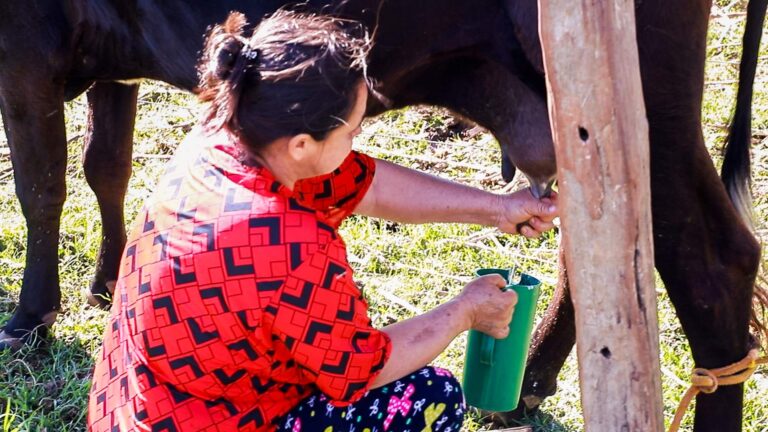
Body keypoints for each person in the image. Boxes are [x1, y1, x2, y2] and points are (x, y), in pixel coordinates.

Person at [87, 10, 558, 432]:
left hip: (135, 407)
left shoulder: (226, 137)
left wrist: (497, 209)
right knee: (430, 397)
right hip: (216, 419)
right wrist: (465, 311)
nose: (355, 143)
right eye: (351, 131)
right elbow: (362, 371)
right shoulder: (289, 244)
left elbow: (365, 185)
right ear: (302, 145)